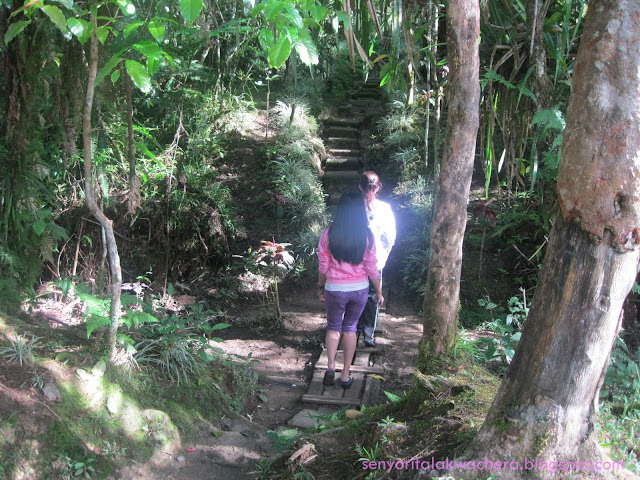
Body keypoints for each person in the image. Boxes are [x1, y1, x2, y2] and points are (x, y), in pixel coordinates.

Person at [317, 190, 384, 388]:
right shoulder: (367, 236)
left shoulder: (328, 234)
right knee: (350, 329)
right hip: (359, 290)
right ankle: (345, 375)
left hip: (334, 289)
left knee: (333, 327)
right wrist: (379, 291)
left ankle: (330, 366)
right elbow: (372, 267)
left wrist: (321, 286)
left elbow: (323, 266)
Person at [357, 171, 396, 347]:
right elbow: (390, 237)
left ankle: (353, 326)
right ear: (378, 187)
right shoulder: (385, 209)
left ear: (359, 187)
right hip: (376, 259)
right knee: (373, 295)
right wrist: (383, 256)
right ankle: (368, 333)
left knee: (355, 292)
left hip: (352, 260)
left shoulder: (352, 207)